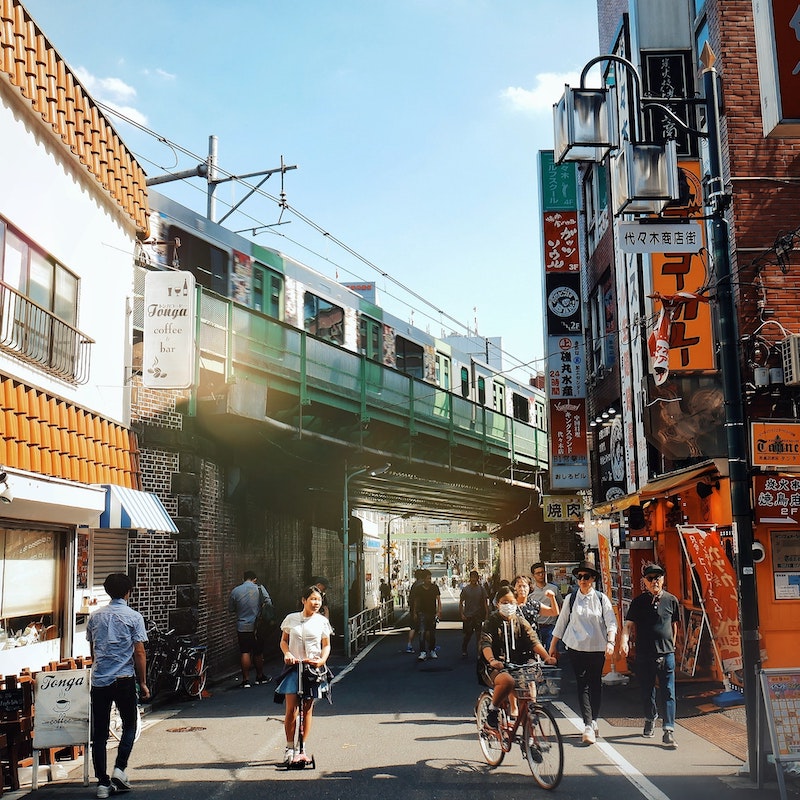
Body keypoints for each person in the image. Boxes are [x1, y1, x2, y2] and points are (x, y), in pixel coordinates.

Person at [86, 573, 149, 799]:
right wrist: (143, 682)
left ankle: (102, 783)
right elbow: (139, 652)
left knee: (100, 733)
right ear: (127, 592)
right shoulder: (134, 617)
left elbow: (93, 650)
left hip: (100, 680)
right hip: (124, 678)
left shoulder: (95, 617)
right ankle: (120, 768)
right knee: (130, 725)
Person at [548, 560, 617, 745]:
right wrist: (552, 646)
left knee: (595, 684)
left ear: (593, 578)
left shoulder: (602, 599)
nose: (582, 580)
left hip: (597, 647)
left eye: (586, 577)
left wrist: (611, 641)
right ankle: (588, 724)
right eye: (579, 577)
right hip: (576, 648)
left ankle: (594, 720)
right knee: (583, 684)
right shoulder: (571, 599)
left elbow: (611, 622)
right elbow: (561, 623)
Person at [619, 563, 681, 748]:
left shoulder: (671, 600)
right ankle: (650, 717)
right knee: (647, 690)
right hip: (644, 653)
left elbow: (674, 625)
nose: (655, 581)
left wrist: (672, 645)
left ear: (663, 579)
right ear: (644, 581)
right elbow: (628, 625)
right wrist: (623, 641)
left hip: (666, 653)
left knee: (669, 692)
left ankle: (668, 729)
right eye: (651, 578)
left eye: (658, 577)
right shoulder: (638, 602)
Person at [479, 585, 557, 730]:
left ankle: (530, 740)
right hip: (494, 666)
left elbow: (533, 640)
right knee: (507, 681)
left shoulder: (520, 621)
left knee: (527, 695)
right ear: (498, 603)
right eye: (504, 602)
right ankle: (493, 710)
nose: (508, 606)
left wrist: (547, 657)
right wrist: (492, 660)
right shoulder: (492, 621)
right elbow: (486, 642)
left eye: (511, 602)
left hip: (517, 665)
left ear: (516, 602)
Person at [274, 585, 332, 765]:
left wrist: (322, 660)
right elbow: (283, 641)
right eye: (313, 599)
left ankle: (302, 748)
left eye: (319, 600)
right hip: (294, 668)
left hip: (313, 670)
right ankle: (289, 747)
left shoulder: (322, 621)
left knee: (307, 708)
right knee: (291, 709)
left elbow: (326, 645)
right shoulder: (291, 619)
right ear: (304, 600)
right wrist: (287, 654)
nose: (316, 603)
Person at [228, 570, 273, 687]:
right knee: (258, 652)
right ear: (255, 579)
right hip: (257, 626)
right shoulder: (259, 588)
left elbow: (231, 608)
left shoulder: (235, 591)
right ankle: (259, 677)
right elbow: (269, 604)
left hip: (242, 626)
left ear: (243, 579)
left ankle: (246, 680)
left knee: (245, 651)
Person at [409, 569, 442, 661]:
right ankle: (422, 652)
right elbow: (416, 601)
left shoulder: (434, 587)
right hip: (422, 613)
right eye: (427, 578)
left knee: (432, 633)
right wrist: (415, 612)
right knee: (422, 632)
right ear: (423, 579)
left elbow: (438, 600)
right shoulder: (419, 589)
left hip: (432, 613)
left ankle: (432, 650)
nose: (429, 580)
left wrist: (439, 611)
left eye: (430, 578)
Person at [529, 562, 561, 650]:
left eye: (543, 572)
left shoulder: (554, 589)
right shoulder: (530, 591)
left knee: (552, 652)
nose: (541, 575)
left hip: (551, 626)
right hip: (536, 627)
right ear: (533, 575)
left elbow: (560, 605)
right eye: (538, 573)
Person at [459, 570, 489, 657]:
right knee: (468, 634)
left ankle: (479, 652)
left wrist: (487, 613)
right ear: (470, 578)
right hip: (468, 615)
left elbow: (485, 602)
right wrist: (462, 614)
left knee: (479, 635)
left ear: (477, 578)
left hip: (478, 615)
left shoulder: (481, 589)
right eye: (472, 577)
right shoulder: (465, 589)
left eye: (475, 577)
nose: (473, 579)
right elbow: (461, 602)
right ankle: (464, 648)